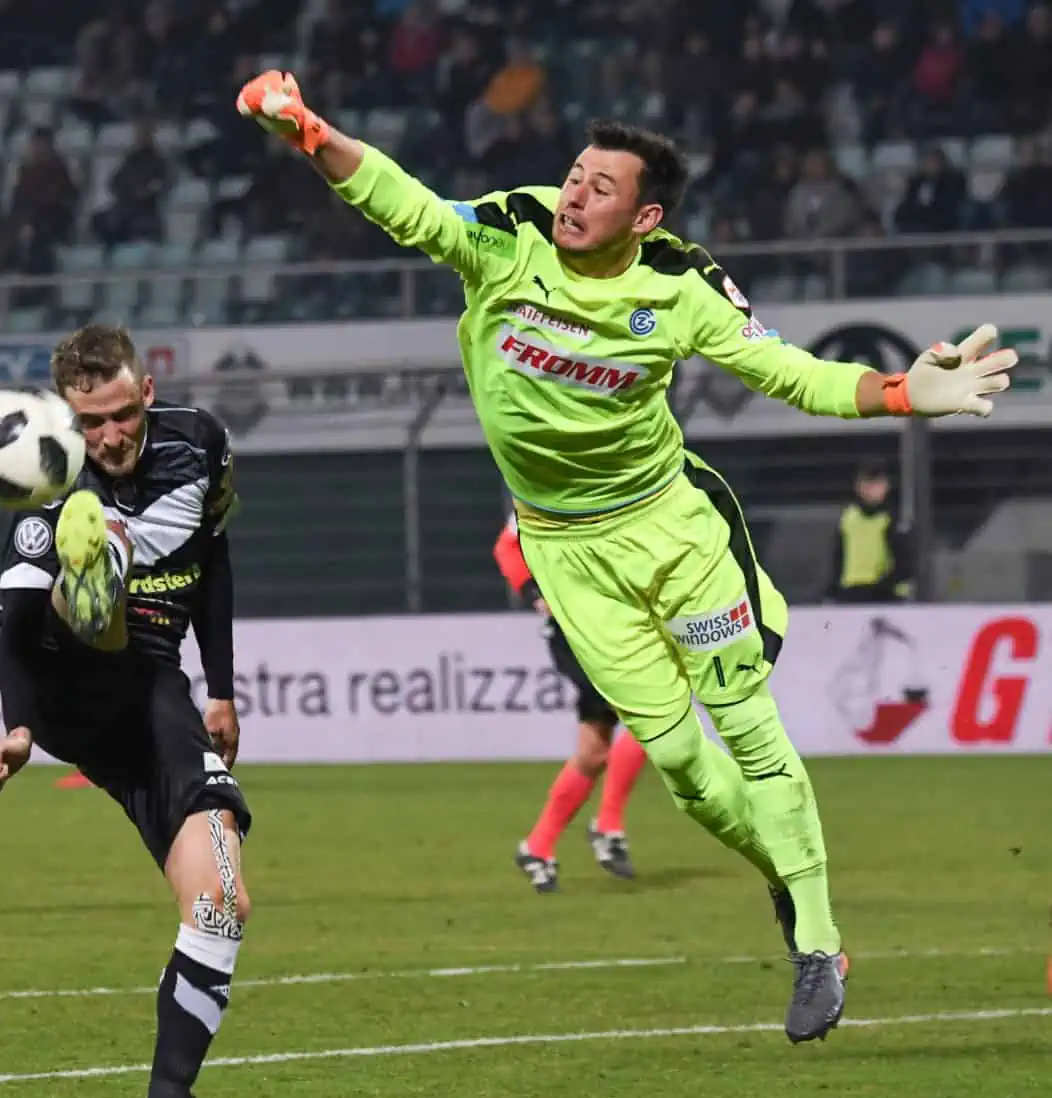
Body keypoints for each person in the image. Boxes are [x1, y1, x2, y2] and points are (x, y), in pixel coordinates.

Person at [236, 70, 1017, 1043]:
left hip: (672, 533)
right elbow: (408, 206)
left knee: (748, 726)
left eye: (600, 188)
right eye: (573, 175)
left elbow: (794, 373)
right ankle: (783, 871)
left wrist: (903, 395)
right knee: (685, 770)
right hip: (567, 554)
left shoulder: (681, 283)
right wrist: (311, 132)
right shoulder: (509, 233)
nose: (572, 194)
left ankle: (818, 939)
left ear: (644, 214)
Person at [0, 325, 247, 1098]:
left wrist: (223, 685)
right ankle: (90, 583)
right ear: (67, 419)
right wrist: (18, 732)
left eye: (123, 415)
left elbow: (215, 559)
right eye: (91, 424)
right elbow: (14, 642)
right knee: (69, 583)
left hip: (153, 692)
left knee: (221, 902)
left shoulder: (199, 443)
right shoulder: (44, 485)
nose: (111, 437)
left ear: (148, 391)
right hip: (66, 690)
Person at [494, 510, 645, 890]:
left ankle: (537, 847)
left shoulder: (620, 490)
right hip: (574, 632)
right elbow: (508, 546)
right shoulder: (551, 492)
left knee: (594, 751)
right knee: (651, 714)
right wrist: (533, 592)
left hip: (613, 626)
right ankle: (608, 827)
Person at [827, 459, 913, 603]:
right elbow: (838, 559)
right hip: (851, 595)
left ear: (886, 486)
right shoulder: (848, 518)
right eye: (867, 483)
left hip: (887, 597)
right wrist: (832, 591)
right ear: (858, 486)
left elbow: (905, 565)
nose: (871, 489)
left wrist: (881, 587)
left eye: (877, 483)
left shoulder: (893, 519)